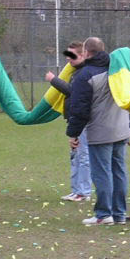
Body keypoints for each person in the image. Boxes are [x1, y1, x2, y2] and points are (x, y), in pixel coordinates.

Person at [66, 37, 130, 225]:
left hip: (101, 131)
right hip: (121, 127)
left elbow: (79, 109)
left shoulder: (85, 75)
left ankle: (104, 213)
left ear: (86, 52)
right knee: (119, 171)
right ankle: (119, 213)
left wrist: (73, 133)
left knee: (102, 173)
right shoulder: (116, 69)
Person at [45, 41, 92, 202]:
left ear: (82, 55)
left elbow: (73, 92)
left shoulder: (84, 73)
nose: (69, 60)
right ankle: (76, 189)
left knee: (83, 155)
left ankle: (84, 191)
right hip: (74, 119)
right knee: (75, 155)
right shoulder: (76, 72)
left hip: (83, 120)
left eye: (73, 56)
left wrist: (54, 80)